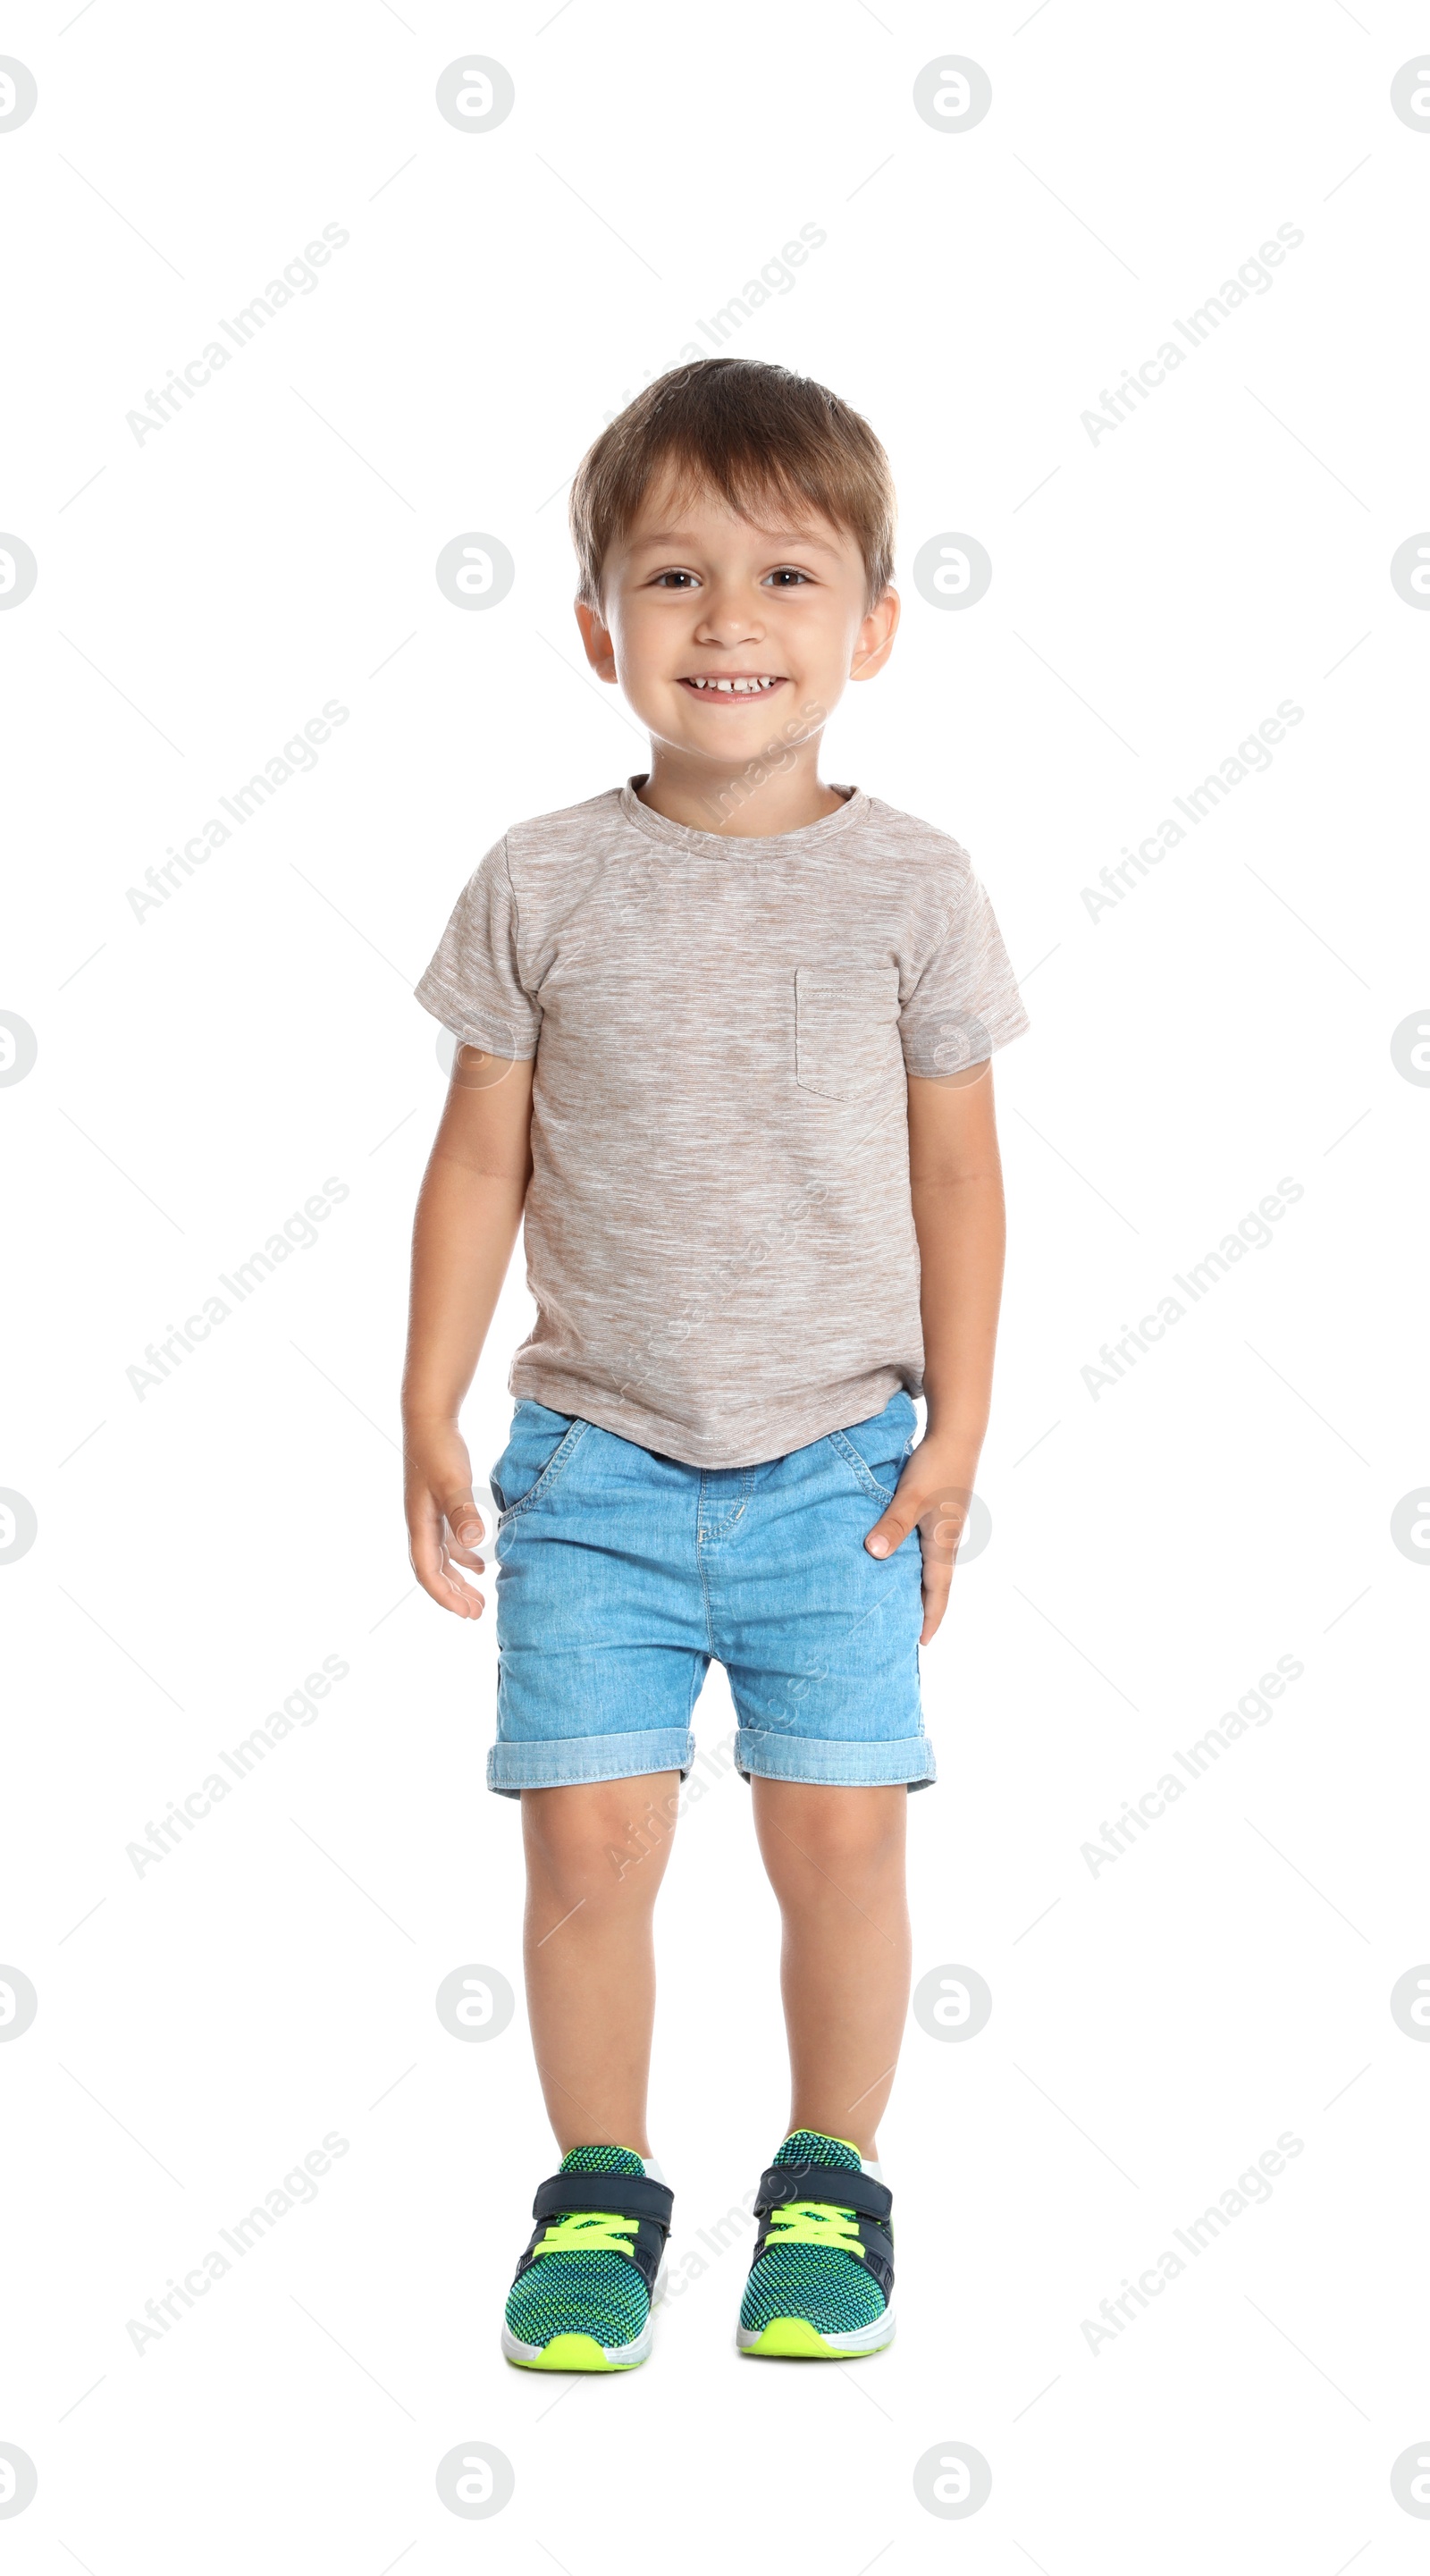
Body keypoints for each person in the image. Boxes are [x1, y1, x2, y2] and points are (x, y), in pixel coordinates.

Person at [402, 357, 1028, 2370]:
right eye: (670, 577)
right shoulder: (540, 874)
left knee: (836, 1832)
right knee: (586, 1839)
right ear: (596, 627)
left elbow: (960, 1170)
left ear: (872, 623)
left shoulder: (911, 882)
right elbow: (479, 1144)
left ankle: (827, 2176)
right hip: (591, 1463)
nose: (727, 622)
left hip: (837, 1463)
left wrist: (954, 1438)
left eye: (781, 572)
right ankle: (595, 2186)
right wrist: (425, 1391)